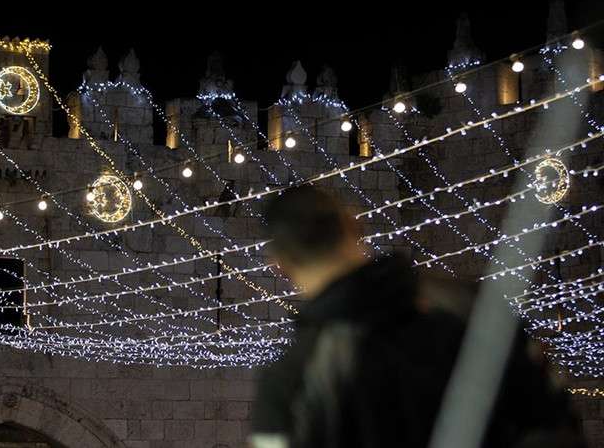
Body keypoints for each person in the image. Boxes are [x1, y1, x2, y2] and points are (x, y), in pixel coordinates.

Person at [250, 186, 584, 448]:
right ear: (353, 223)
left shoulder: (292, 382)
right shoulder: (472, 307)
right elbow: (555, 426)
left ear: (279, 265)